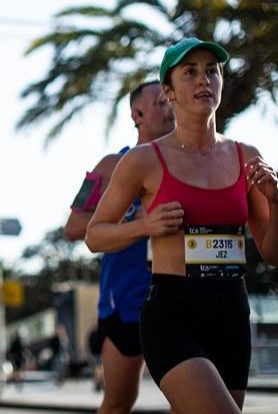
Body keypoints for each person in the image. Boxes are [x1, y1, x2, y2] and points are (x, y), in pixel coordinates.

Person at [87, 38, 278, 413]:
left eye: (211, 71)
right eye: (190, 72)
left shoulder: (246, 157)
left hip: (231, 311)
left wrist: (276, 203)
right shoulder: (143, 161)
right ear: (169, 92)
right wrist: (145, 226)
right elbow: (93, 235)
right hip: (172, 313)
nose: (203, 80)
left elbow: (275, 253)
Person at [63, 80, 175, 413]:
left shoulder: (188, 164)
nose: (169, 107)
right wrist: (131, 216)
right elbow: (72, 228)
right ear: (137, 114)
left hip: (175, 296)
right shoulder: (110, 166)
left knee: (190, 401)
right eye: (159, 102)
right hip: (124, 302)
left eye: (170, 100)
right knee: (118, 403)